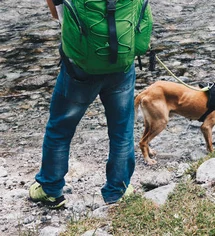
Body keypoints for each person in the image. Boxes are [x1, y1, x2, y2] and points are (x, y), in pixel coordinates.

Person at [29, 0, 152, 208]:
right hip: (121, 66)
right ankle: (118, 190)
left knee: (60, 128)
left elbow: (56, 15)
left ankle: (50, 190)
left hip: (80, 68)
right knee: (122, 130)